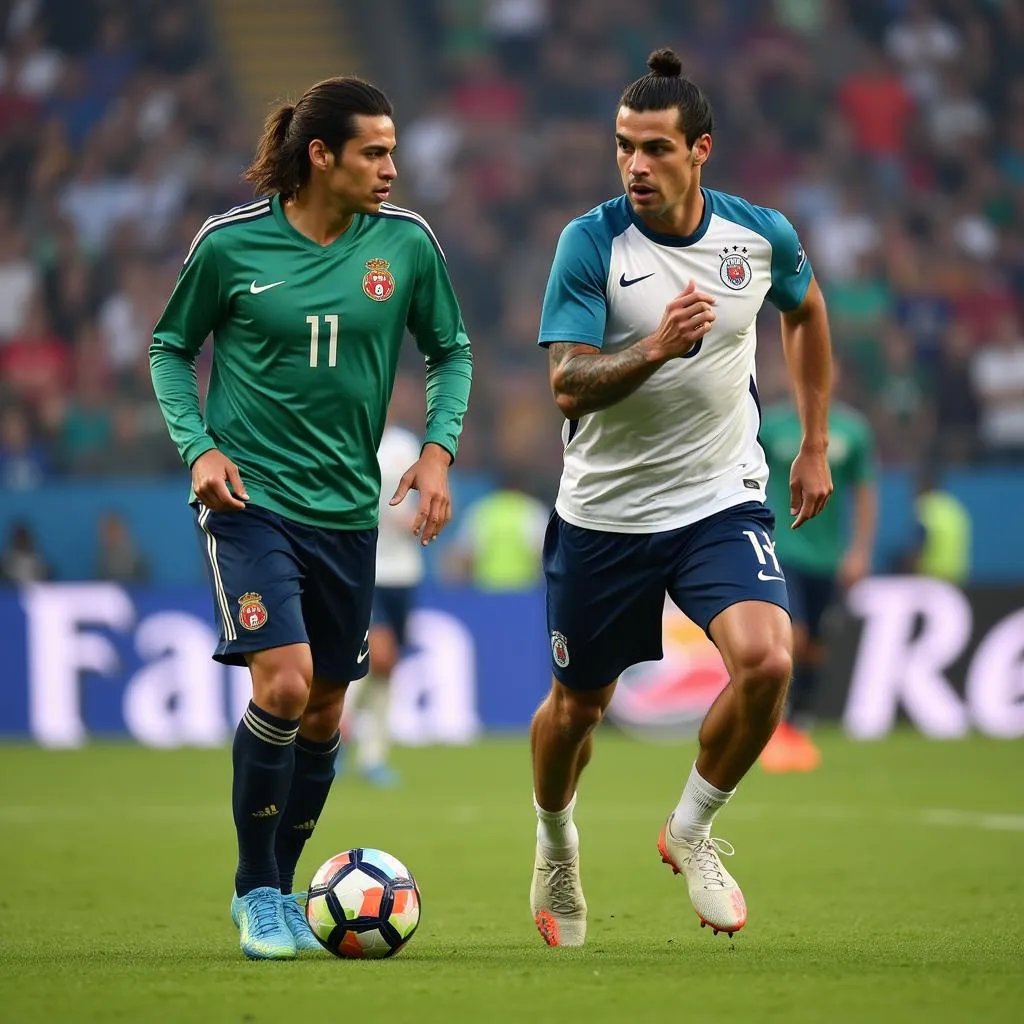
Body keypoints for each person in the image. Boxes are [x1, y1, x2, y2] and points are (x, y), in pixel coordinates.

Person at [149, 76, 473, 960]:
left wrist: (438, 450)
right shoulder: (230, 244)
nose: (391, 169)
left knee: (326, 712)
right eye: (374, 152)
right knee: (284, 686)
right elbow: (171, 349)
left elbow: (451, 349)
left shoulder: (404, 246)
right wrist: (199, 449)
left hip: (350, 513)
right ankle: (256, 890)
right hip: (248, 503)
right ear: (320, 155)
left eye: (394, 150)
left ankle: (287, 888)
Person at [529, 49, 833, 947]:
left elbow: (806, 312)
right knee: (577, 709)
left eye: (656, 149)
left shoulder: (759, 236)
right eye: (624, 147)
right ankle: (554, 840)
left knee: (769, 662)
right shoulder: (591, 244)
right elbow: (568, 385)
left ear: (701, 149)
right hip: (606, 513)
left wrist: (813, 443)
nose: (635, 166)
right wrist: (657, 348)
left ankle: (693, 825)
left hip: (718, 496)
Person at [758, 366, 878, 772]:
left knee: (815, 647)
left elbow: (864, 493)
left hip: (828, 556)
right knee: (794, 633)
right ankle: (774, 726)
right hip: (782, 546)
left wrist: (859, 550)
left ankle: (798, 719)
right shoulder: (771, 426)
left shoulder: (853, 430)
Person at [341, 420, 424, 787]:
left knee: (386, 668)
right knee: (379, 653)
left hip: (403, 572)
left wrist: (418, 521)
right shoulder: (349, 435)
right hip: (365, 567)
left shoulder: (405, 444)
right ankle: (331, 738)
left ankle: (373, 757)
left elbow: (420, 498)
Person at [443, 468, 549, 591]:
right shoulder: (533, 511)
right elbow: (547, 555)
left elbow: (461, 557)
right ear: (525, 486)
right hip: (524, 593)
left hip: (486, 593)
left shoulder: (482, 510)